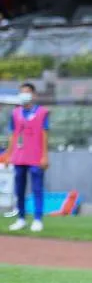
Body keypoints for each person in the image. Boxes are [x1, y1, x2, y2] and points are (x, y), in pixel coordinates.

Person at [1, 83, 49, 232]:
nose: (24, 95)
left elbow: (44, 134)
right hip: (19, 155)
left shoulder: (42, 112)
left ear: (34, 95)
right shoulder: (15, 113)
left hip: (35, 156)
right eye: (22, 92)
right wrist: (8, 155)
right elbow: (13, 135)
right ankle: (21, 218)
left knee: (37, 188)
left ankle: (38, 219)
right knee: (19, 189)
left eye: (27, 92)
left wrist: (45, 156)